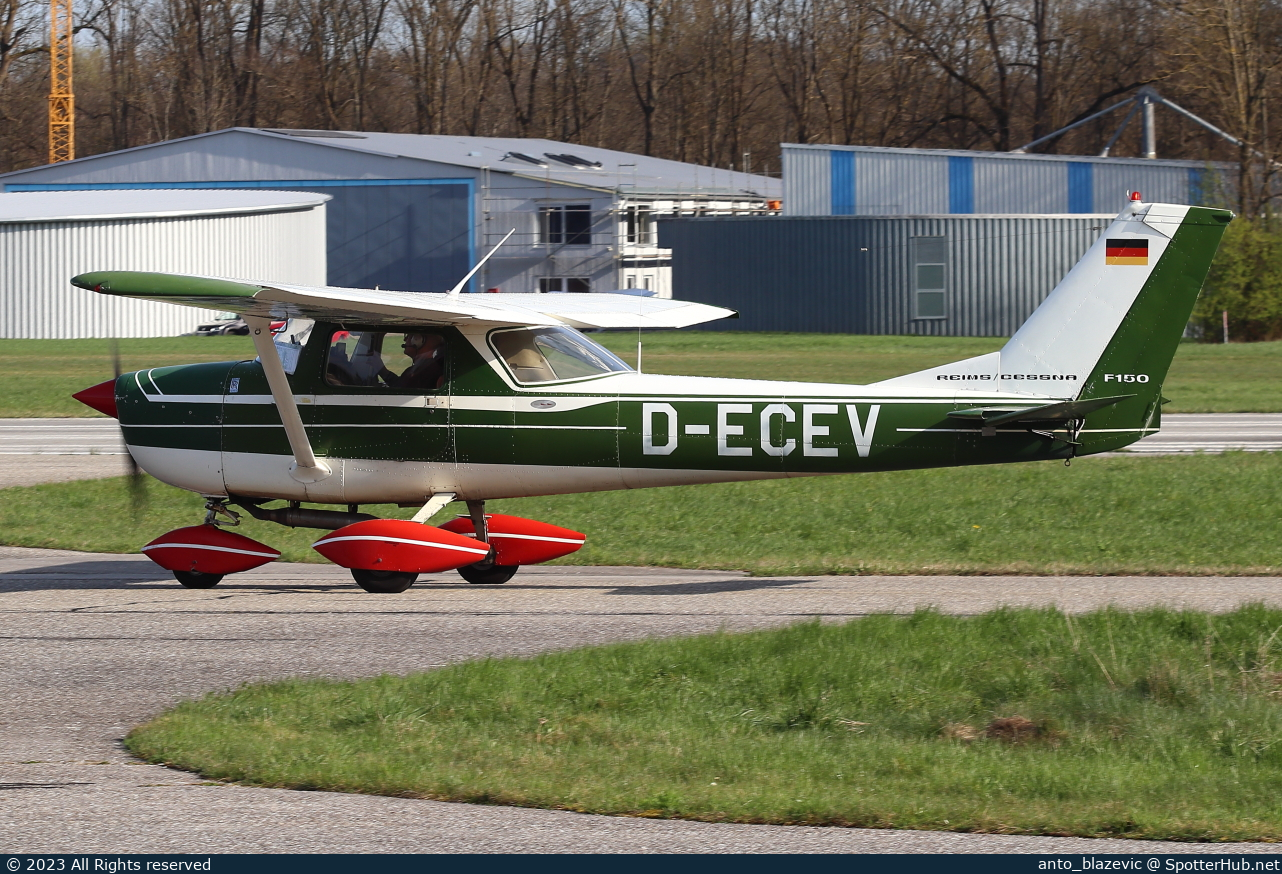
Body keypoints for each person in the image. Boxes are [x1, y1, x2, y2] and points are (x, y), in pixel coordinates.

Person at [381, 332, 446, 389]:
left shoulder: (426, 370)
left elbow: (401, 388)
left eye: (408, 336)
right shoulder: (427, 366)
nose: (405, 339)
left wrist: (380, 368)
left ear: (418, 340)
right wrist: (381, 369)